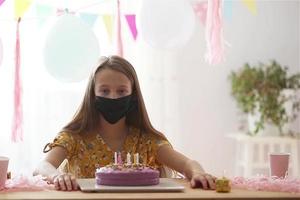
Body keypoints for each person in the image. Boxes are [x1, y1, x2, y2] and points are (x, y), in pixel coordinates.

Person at [34, 55, 216, 191]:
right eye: (104, 91)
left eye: (121, 91)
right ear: (92, 95)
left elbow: (187, 164)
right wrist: (57, 176)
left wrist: (198, 173)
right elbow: (42, 167)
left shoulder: (147, 141)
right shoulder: (74, 137)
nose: (113, 97)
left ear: (133, 96)